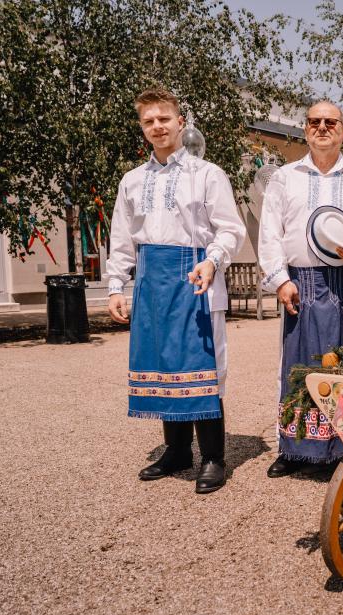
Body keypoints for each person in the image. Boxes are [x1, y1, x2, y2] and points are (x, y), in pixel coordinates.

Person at [106, 87, 246, 494]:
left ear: (180, 122)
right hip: (152, 281)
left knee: (203, 368)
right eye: (148, 121)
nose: (157, 126)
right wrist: (116, 285)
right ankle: (178, 451)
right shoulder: (132, 180)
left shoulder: (207, 174)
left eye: (164, 118)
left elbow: (231, 229)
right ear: (142, 127)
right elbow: (122, 238)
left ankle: (214, 457)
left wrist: (213, 260)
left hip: (195, 276)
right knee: (165, 365)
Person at [258, 101, 343, 477]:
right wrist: (280, 279)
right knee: (299, 365)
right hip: (301, 282)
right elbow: (269, 233)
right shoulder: (284, 177)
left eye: (330, 122)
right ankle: (294, 448)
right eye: (314, 121)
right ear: (305, 129)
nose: (322, 127)